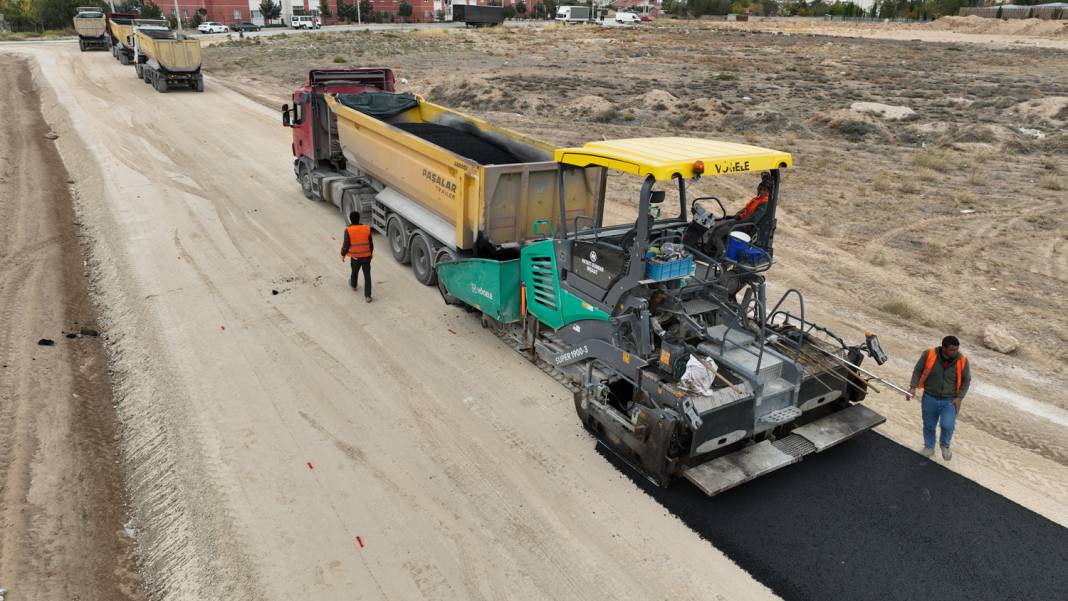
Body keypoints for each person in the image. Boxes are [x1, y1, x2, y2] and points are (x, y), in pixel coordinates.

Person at [907, 335, 971, 460]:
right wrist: (913, 387)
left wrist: (959, 397)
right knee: (929, 425)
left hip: (949, 401)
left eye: (957, 349)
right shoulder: (929, 354)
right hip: (929, 397)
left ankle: (945, 445)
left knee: (947, 425)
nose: (955, 352)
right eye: (952, 350)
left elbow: (966, 380)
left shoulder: (962, 360)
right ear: (944, 348)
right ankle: (929, 447)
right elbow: (918, 370)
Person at [340, 212, 373, 303]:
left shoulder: (348, 230)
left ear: (351, 219)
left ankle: (353, 285)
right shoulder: (367, 228)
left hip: (355, 257)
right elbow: (370, 244)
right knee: (367, 276)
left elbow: (346, 245)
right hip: (366, 257)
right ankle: (368, 296)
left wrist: (343, 254)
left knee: (354, 271)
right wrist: (371, 254)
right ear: (359, 219)